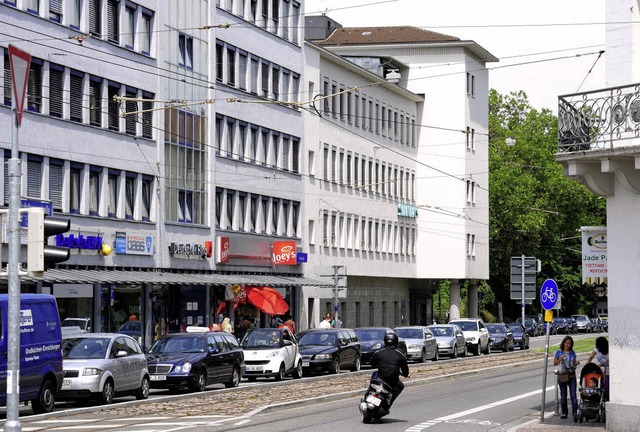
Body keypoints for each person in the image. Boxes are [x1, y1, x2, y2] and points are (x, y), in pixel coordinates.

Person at [370, 333, 410, 413]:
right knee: (400, 386)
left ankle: (369, 392)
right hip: (392, 381)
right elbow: (405, 371)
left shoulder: (378, 353)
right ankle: (388, 403)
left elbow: (372, 363)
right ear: (396, 342)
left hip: (380, 379)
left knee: (374, 374)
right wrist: (405, 374)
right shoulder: (400, 356)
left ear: (385, 342)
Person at [554, 335, 580, 421]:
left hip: (572, 375)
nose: (568, 345)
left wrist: (576, 363)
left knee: (573, 395)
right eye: (567, 343)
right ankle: (564, 412)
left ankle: (575, 413)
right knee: (563, 395)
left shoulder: (572, 352)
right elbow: (555, 363)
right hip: (562, 375)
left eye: (570, 344)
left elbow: (574, 363)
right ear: (564, 343)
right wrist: (560, 359)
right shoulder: (559, 352)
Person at [587, 336, 609, 400]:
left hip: (607, 370)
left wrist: (603, 364)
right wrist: (587, 363)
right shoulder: (596, 349)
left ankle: (606, 398)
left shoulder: (608, 351)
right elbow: (591, 357)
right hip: (599, 370)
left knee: (606, 386)